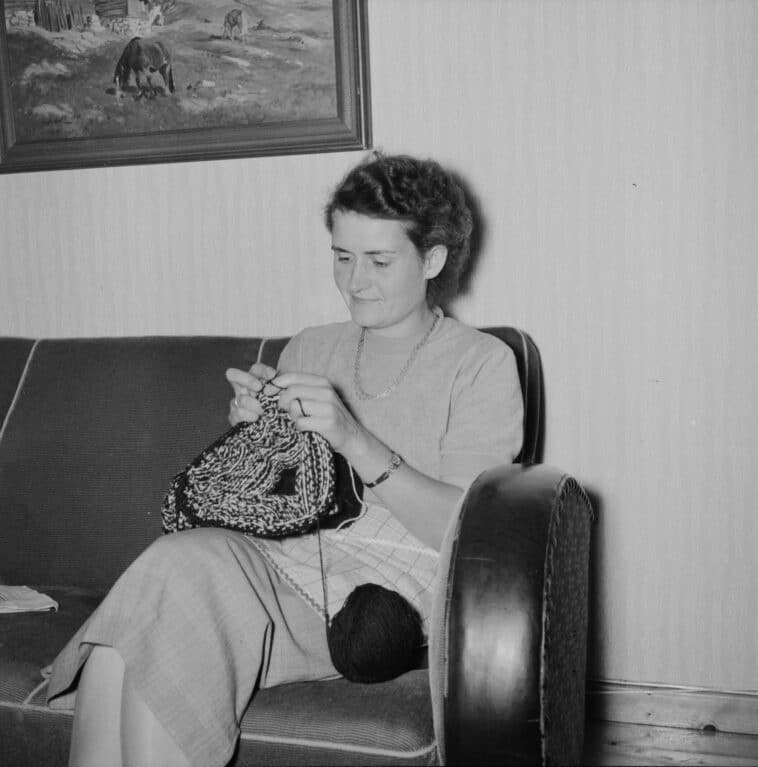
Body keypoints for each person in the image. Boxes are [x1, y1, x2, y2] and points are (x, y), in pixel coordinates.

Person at [46, 152, 524, 767]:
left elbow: (463, 532)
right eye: (342, 256)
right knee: (141, 617)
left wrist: (352, 439)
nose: (355, 281)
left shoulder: (481, 364)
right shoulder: (312, 347)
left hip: (379, 598)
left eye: (379, 261)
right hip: (284, 560)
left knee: (158, 600)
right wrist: (255, 434)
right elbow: (278, 498)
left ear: (431, 259)